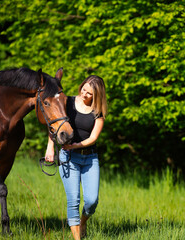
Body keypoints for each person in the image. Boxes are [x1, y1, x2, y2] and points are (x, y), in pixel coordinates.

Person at [44, 75, 107, 240]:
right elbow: (53, 123)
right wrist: (50, 147)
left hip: (90, 159)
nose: (84, 94)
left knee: (92, 202)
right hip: (68, 157)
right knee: (73, 200)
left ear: (97, 96)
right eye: (84, 89)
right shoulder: (68, 102)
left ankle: (83, 221)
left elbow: (93, 138)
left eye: (89, 93)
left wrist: (76, 145)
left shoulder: (98, 112)